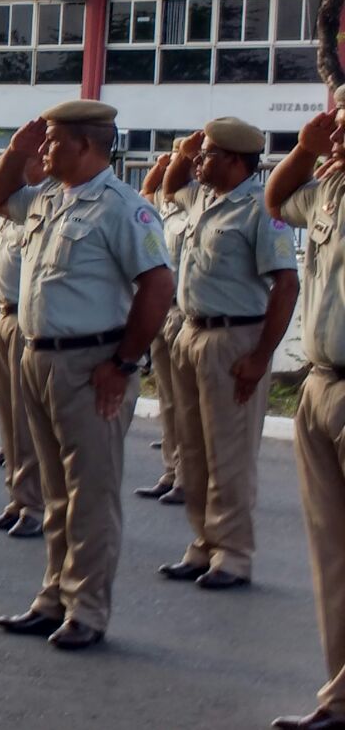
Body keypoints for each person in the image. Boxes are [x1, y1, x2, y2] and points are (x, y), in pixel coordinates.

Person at [0, 100, 172, 651]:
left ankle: (87, 609)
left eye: (52, 141)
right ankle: (53, 597)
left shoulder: (123, 208)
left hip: (92, 363)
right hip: (40, 356)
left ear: (87, 145)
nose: (44, 149)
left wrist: (123, 364)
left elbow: (158, 287)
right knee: (56, 492)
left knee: (89, 493)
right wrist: (17, 151)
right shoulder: (49, 198)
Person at [157, 119, 298, 590]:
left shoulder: (262, 208)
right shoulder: (204, 198)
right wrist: (186, 153)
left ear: (237, 161)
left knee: (229, 455)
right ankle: (203, 543)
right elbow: (171, 186)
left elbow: (286, 285)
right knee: (192, 449)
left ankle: (234, 554)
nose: (200, 159)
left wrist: (261, 356)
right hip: (191, 333)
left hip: (235, 339)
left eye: (210, 152)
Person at [266, 102, 345, 730]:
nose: (336, 130)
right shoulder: (329, 189)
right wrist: (304, 150)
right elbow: (276, 198)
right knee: (332, 557)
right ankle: (339, 696)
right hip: (321, 386)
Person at [0, 155, 48, 539]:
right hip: (5, 315)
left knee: (25, 418)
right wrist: (10, 161)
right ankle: (17, 498)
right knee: (7, 414)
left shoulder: (37, 201)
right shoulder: (13, 203)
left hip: (27, 319)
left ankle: (34, 503)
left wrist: (18, 167)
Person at [137, 140, 191, 505]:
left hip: (190, 315)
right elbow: (147, 190)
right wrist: (162, 163)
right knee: (168, 401)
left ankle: (189, 475)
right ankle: (171, 470)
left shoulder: (198, 202)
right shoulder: (167, 209)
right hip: (166, 314)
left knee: (188, 404)